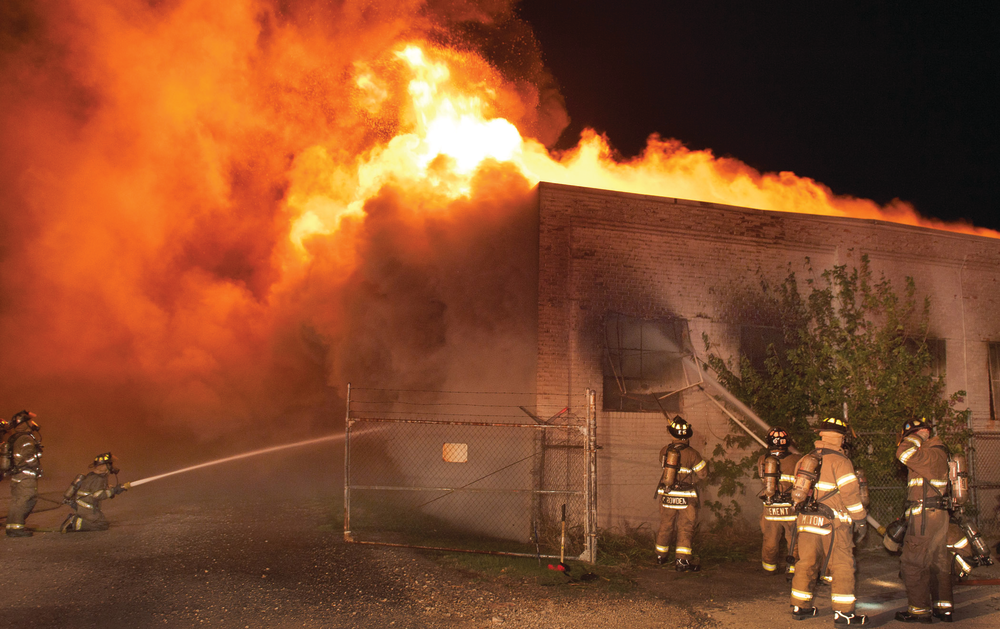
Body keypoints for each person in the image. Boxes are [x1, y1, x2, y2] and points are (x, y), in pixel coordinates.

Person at [788, 416, 868, 625]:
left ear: (821, 435)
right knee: (842, 565)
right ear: (841, 438)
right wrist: (860, 519)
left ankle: (800, 606)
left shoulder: (805, 459)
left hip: (806, 521)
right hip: (833, 524)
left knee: (805, 563)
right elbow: (850, 494)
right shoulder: (841, 461)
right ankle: (843, 613)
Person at [894, 418, 952, 623]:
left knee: (914, 562)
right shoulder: (939, 452)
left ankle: (919, 611)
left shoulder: (928, 454)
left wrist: (914, 438)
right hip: (939, 514)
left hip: (925, 516)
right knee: (938, 561)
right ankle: (943, 608)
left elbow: (902, 453)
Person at [654, 416, 708, 572]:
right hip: (686, 498)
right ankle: (682, 561)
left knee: (665, 525)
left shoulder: (664, 451)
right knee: (685, 527)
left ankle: (660, 556)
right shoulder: (693, 454)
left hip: (667, 496)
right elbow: (703, 474)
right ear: (687, 435)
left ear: (672, 434)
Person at [758, 427, 801, 576]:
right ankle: (793, 569)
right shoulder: (796, 460)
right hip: (790, 508)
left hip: (771, 509)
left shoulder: (762, 459)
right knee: (793, 540)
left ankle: (769, 569)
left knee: (770, 540)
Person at [60, 452, 128, 532]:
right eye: (110, 464)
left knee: (101, 521)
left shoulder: (93, 475)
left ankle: (78, 519)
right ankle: (74, 522)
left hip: (82, 506)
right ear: (104, 466)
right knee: (101, 524)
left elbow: (96, 491)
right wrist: (114, 490)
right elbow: (98, 495)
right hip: (86, 508)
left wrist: (113, 490)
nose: (112, 467)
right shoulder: (98, 479)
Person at [3, 410, 43, 537]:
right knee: (27, 500)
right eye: (30, 421)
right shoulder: (26, 438)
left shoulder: (15, 438)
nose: (33, 423)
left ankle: (13, 527)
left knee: (17, 501)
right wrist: (36, 466)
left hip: (17, 475)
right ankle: (16, 529)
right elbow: (28, 457)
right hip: (25, 475)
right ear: (25, 423)